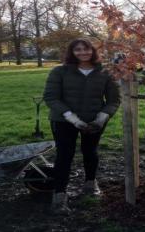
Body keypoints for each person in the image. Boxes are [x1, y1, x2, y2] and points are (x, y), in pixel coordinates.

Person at [43, 38, 120, 213]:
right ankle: (59, 195)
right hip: (63, 120)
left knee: (90, 152)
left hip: (93, 121)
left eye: (86, 49)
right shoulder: (60, 72)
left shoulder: (105, 72)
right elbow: (51, 97)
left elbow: (114, 100)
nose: (83, 53)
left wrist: (101, 118)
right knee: (64, 155)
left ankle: (90, 184)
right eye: (78, 50)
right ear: (72, 52)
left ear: (93, 51)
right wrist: (72, 118)